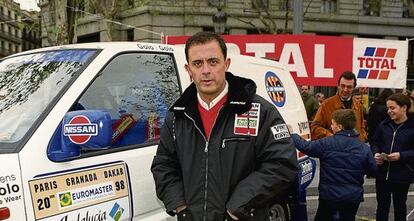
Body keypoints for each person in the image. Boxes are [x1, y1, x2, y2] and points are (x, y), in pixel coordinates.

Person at [151, 32, 298, 221]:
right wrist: (180, 207)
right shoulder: (176, 116)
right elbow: (163, 166)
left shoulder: (261, 112)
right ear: (188, 69)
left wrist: (237, 208)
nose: (205, 70)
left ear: (226, 64)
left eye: (213, 62)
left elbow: (282, 164)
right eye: (198, 63)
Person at [291, 109, 376, 221]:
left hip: (329, 195)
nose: (331, 126)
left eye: (333, 123)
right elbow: (373, 170)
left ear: (339, 126)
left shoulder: (327, 143)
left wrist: (292, 134)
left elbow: (305, 146)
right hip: (352, 197)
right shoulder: (363, 148)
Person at [371, 93, 414, 221]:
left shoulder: (412, 127)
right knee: (382, 207)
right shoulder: (384, 125)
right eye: (388, 108)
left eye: (392, 108)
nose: (389, 111)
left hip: (402, 174)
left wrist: (401, 156)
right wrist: (376, 153)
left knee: (400, 206)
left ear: (404, 108)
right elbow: (374, 142)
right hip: (382, 174)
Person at [311, 71, 367, 141]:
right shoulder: (326, 104)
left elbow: (361, 127)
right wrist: (332, 137)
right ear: (338, 85)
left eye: (349, 87)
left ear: (354, 88)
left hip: (354, 149)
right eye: (342, 86)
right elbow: (315, 126)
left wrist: (362, 138)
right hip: (334, 149)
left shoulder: (357, 104)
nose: (345, 90)